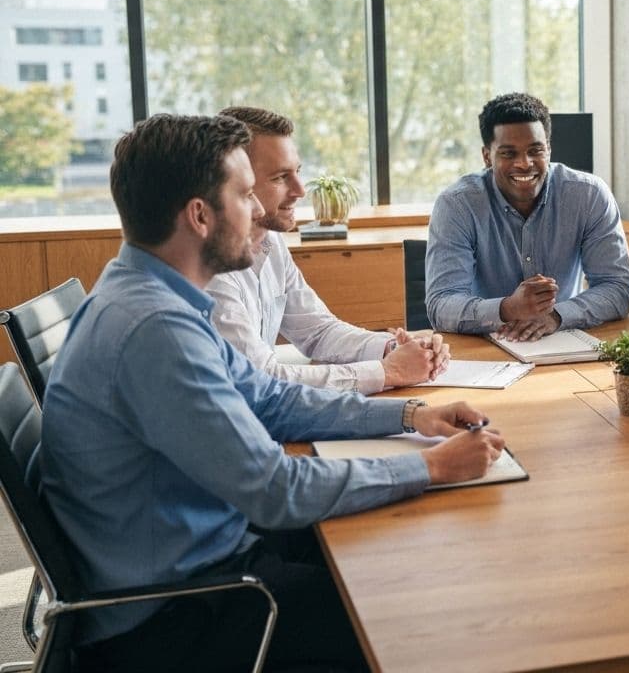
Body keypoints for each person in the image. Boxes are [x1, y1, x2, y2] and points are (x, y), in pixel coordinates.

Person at [41, 114, 506, 672]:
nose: (258, 210)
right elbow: (274, 490)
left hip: (202, 559)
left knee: (402, 554)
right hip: (180, 613)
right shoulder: (156, 330)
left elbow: (268, 398)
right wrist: (432, 467)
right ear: (199, 216)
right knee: (423, 615)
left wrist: (409, 415)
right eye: (244, 195)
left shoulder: (151, 297)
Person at [207, 106, 449, 394]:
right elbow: (262, 380)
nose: (300, 190)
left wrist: (392, 347)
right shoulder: (210, 270)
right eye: (280, 177)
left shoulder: (272, 242)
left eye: (297, 172)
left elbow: (319, 331)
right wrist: (388, 371)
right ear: (237, 180)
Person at [426, 92, 629, 340]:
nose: (525, 164)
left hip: (562, 340)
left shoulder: (588, 195)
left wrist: (557, 316)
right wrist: (508, 308)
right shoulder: (457, 205)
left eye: (535, 150)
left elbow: (618, 288)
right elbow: (441, 304)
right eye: (509, 153)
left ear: (549, 149)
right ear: (487, 156)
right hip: (486, 345)